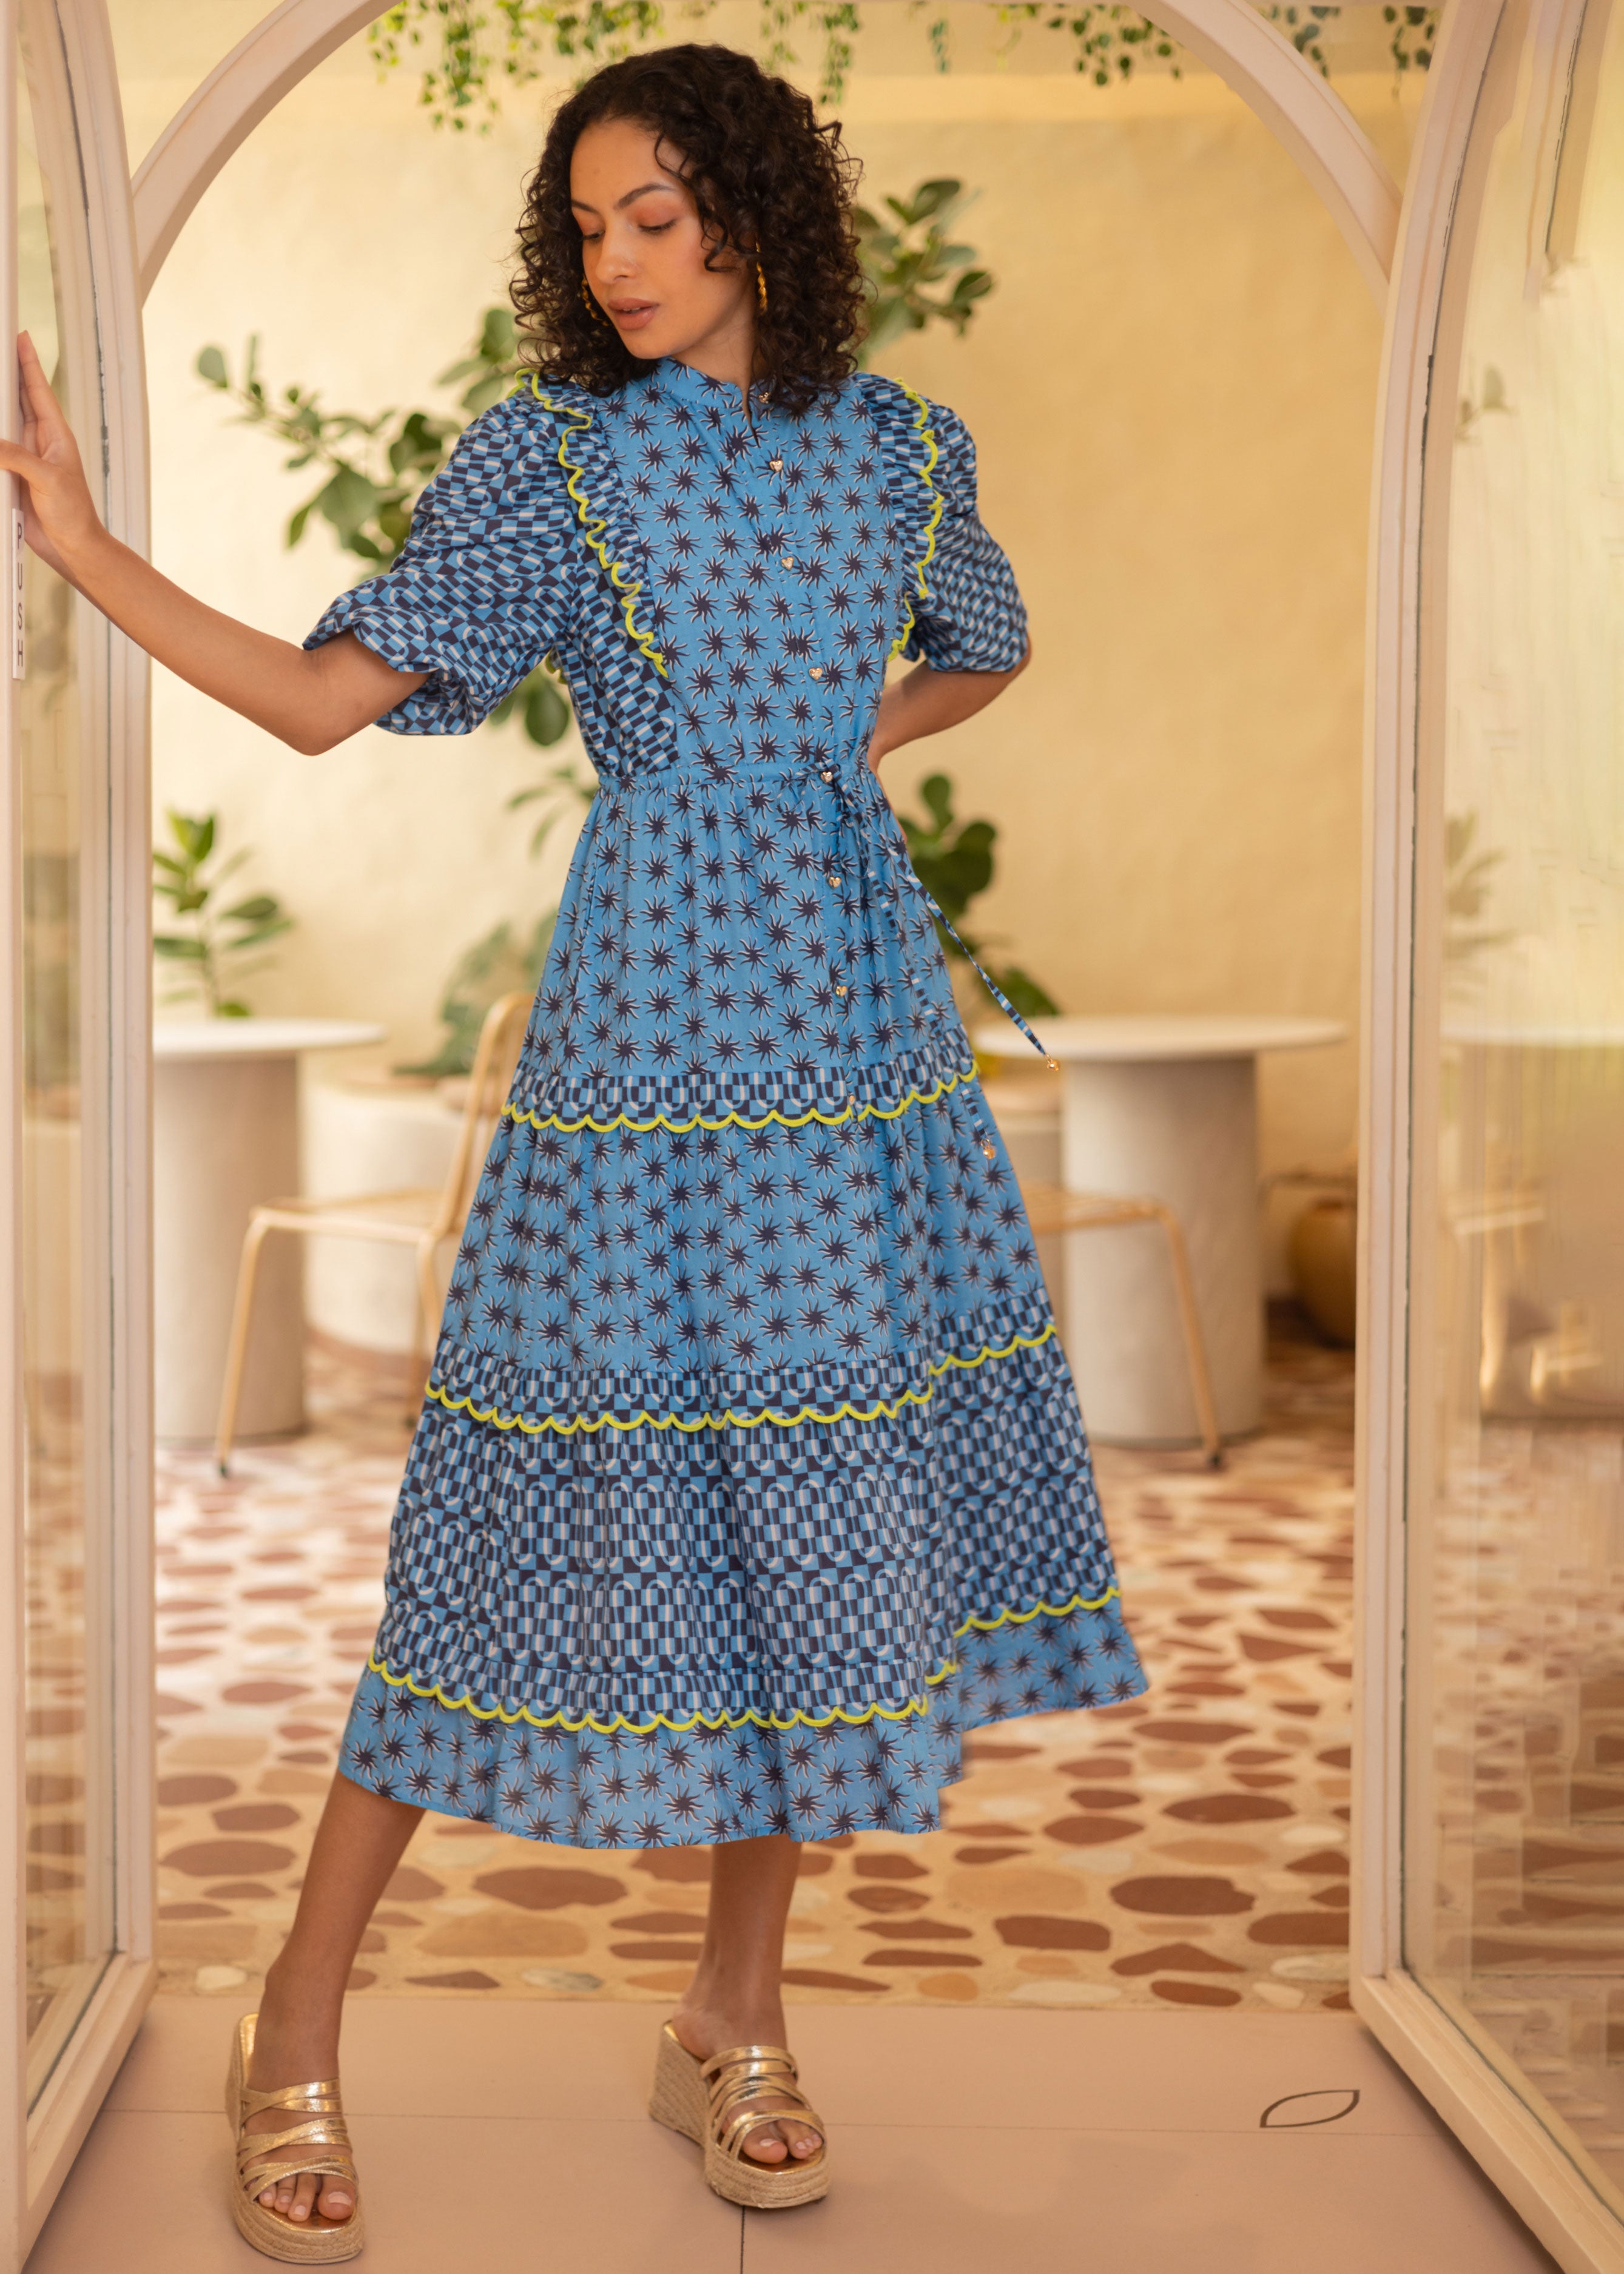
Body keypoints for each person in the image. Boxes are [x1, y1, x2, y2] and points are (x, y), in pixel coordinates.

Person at [1, 40, 1146, 2259]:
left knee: (814, 1515)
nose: (617, 261)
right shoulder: (556, 460)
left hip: (855, 1054)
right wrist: (82, 544)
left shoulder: (906, 448)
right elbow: (323, 701)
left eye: (657, 216)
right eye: (590, 225)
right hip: (642, 1052)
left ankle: (734, 2010)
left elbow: (990, 646)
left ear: (755, 216)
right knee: (501, 1517)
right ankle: (293, 2018)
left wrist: (829, 750)